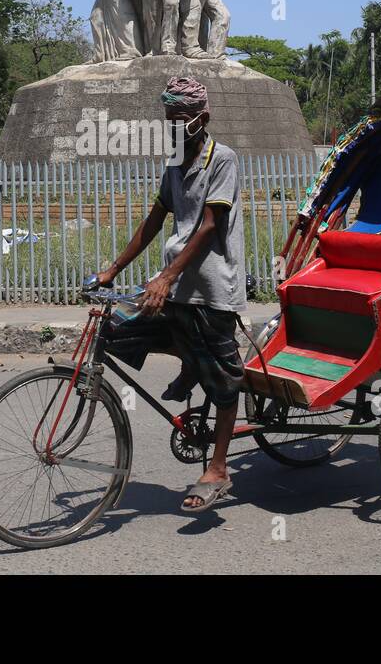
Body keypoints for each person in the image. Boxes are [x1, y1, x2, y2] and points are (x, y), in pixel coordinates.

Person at [94, 76, 247, 513]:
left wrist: (164, 277)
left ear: (203, 118)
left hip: (213, 287)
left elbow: (209, 225)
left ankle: (217, 468)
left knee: (225, 382)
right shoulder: (176, 161)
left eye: (182, 121)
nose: (176, 130)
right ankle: (191, 362)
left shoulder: (224, 159)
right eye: (170, 122)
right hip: (177, 284)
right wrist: (114, 269)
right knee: (123, 328)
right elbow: (156, 219)